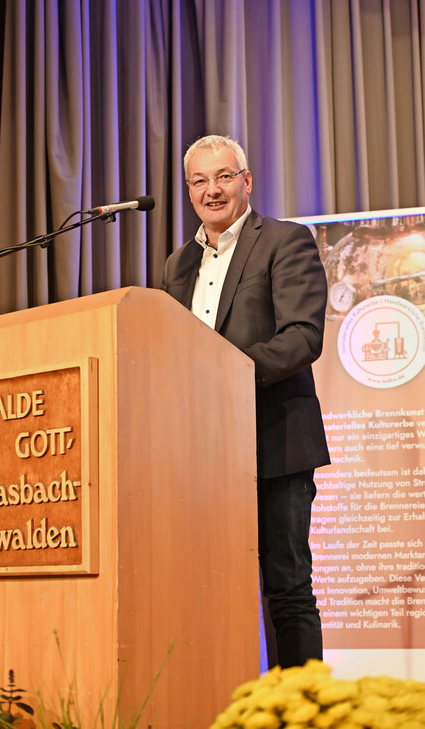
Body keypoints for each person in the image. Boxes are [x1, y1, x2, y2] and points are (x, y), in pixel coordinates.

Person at [161, 134, 331, 669]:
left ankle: (304, 709)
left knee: (286, 588)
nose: (212, 191)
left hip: (275, 444)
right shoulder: (177, 266)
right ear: (188, 191)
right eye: (199, 181)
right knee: (207, 589)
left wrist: (219, 373)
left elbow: (304, 336)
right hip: (204, 457)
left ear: (246, 181)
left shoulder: (284, 241)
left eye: (223, 177)